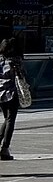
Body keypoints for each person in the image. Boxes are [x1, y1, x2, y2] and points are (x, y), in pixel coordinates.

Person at [0, 35, 23, 163]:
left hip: (0, 92)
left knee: (6, 118)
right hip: (12, 92)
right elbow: (22, 75)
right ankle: (5, 147)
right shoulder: (16, 60)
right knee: (10, 119)